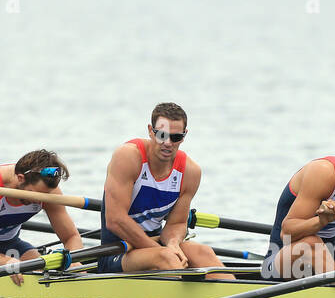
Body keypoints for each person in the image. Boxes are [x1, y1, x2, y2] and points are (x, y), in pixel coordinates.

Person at [94, 103, 233, 280]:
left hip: (156, 244)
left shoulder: (190, 172)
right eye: (161, 135)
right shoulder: (128, 157)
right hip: (117, 251)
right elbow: (115, 221)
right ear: (150, 131)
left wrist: (173, 243)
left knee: (203, 252)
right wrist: (162, 250)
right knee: (167, 257)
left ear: (184, 136)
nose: (167, 143)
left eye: (175, 137)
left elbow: (175, 224)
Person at [0, 149, 84, 286]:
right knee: (26, 270)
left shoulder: (48, 191)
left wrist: (73, 259)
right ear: (20, 179)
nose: (38, 201)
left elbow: (71, 237)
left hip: (11, 245)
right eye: (34, 194)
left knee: (41, 268)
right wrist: (7, 263)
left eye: (44, 196)